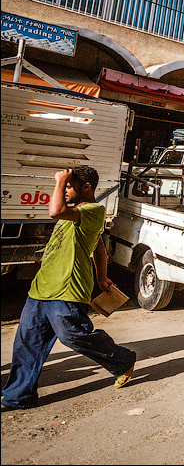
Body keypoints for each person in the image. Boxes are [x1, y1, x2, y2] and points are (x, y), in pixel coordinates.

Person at [2, 168, 137, 411]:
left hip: (68, 287)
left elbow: (55, 211)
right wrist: (103, 277)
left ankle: (123, 360)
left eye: (69, 185)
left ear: (87, 187)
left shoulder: (93, 210)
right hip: (41, 288)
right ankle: (17, 396)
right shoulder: (76, 215)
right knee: (27, 344)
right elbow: (99, 247)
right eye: (64, 186)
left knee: (72, 335)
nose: (64, 189)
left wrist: (59, 179)